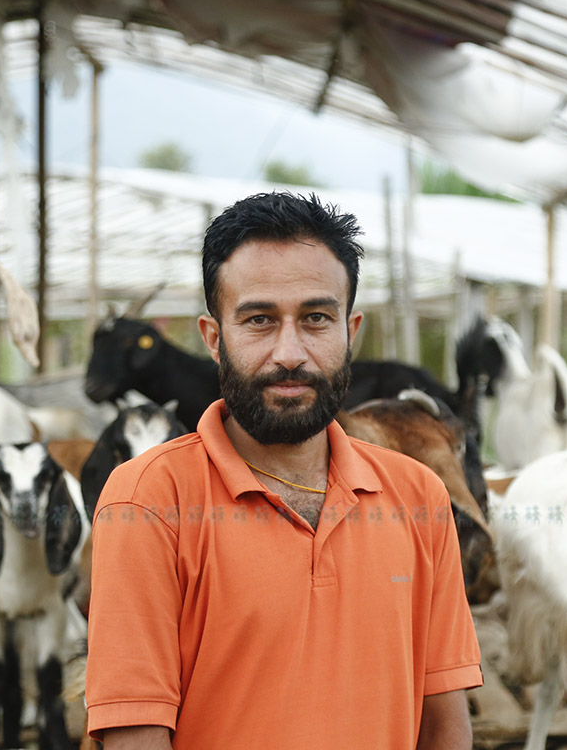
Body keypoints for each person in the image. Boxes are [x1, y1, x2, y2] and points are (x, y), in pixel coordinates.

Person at [85, 192, 482, 749]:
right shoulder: (147, 502)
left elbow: (445, 723)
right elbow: (134, 737)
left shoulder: (419, 496)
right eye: (259, 320)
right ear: (214, 338)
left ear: (352, 331)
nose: (289, 352)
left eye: (316, 318)